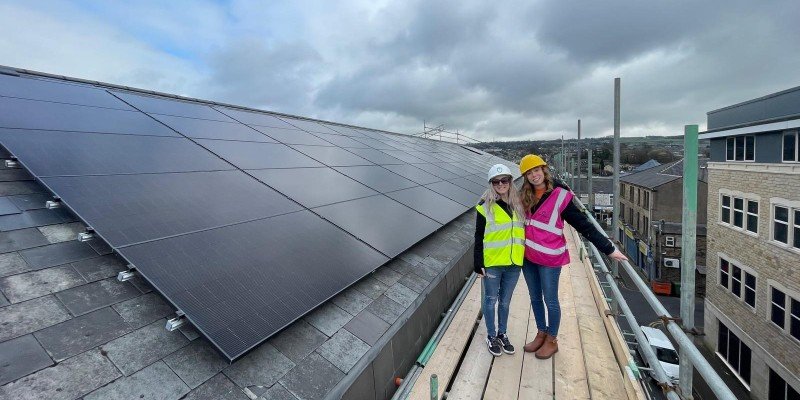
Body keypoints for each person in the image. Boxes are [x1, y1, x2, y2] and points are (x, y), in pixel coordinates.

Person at [518, 154, 628, 359]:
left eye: (536, 170)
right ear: (525, 177)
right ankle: (541, 333)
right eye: (529, 173)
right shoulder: (524, 195)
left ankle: (552, 340)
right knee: (534, 297)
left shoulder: (560, 196)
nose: (534, 176)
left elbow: (583, 224)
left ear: (544, 170)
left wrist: (608, 248)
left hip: (550, 260)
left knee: (550, 300)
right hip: (528, 257)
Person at [474, 164, 526, 356]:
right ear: (491, 184)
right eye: (497, 181)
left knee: (505, 301)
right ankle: (491, 336)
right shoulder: (484, 207)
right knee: (490, 300)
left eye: (505, 180)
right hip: (493, 263)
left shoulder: (519, 205)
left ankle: (502, 333)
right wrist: (477, 263)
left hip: (514, 263)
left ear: (510, 182)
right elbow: (478, 237)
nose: (501, 184)